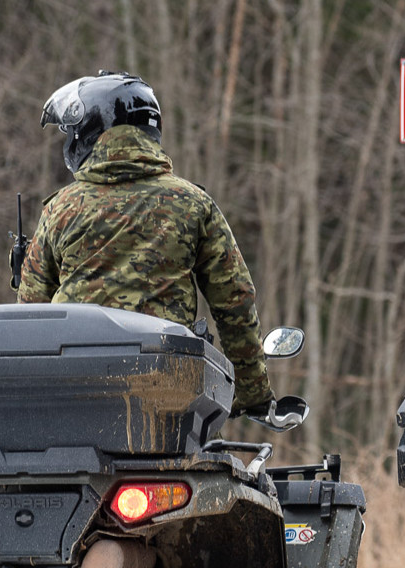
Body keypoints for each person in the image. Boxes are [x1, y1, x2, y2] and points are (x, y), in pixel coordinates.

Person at [18, 71, 275, 417]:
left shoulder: (60, 208)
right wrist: (251, 393)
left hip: (73, 393)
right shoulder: (193, 203)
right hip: (168, 392)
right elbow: (235, 301)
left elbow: (29, 314)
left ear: (91, 132)